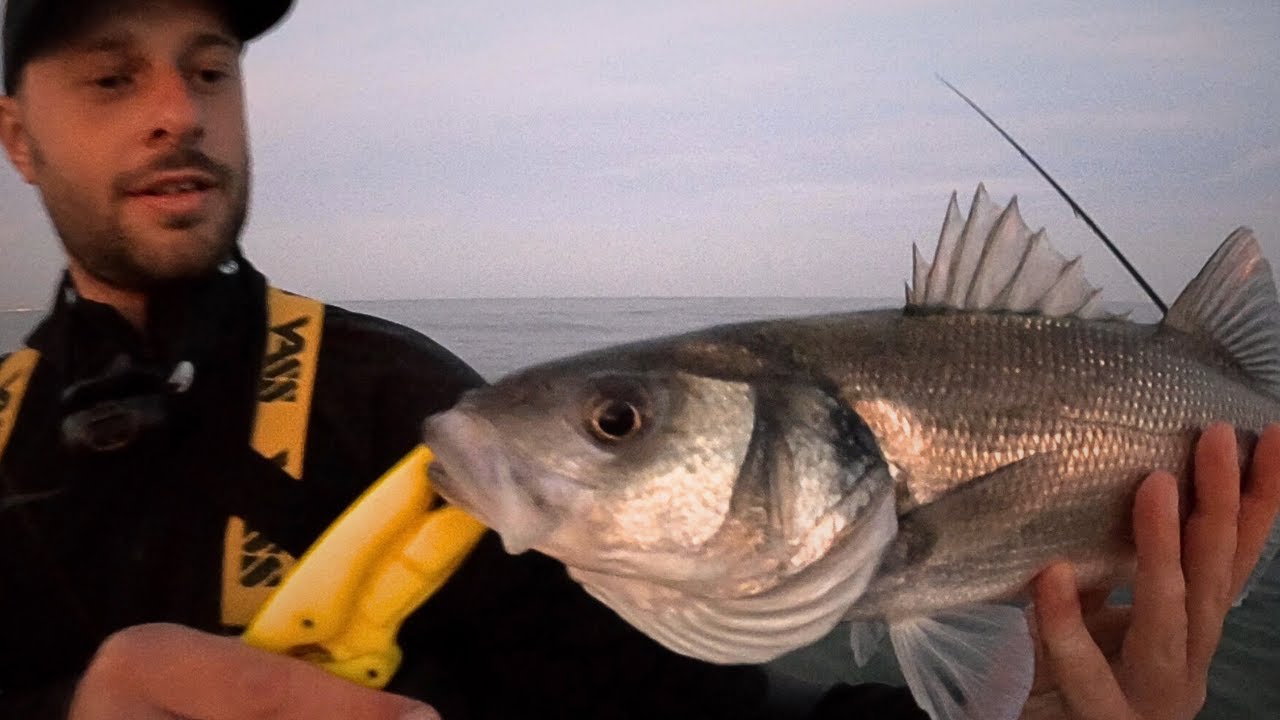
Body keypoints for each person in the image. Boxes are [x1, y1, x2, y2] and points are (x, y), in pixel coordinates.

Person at [0, 1, 1275, 719]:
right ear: (16, 137)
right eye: (111, 76)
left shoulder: (408, 408)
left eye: (209, 68)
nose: (175, 107)